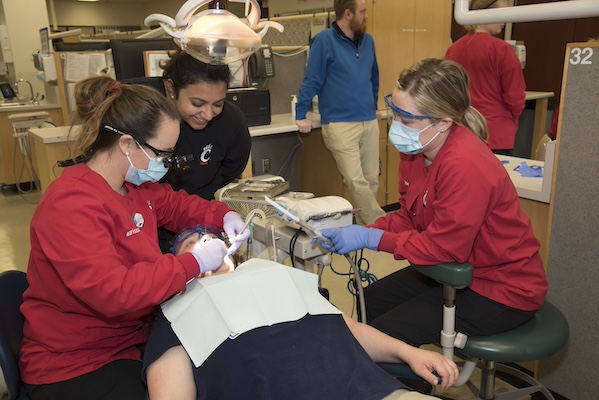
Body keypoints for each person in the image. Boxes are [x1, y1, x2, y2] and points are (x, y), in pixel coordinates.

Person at [19, 76, 250, 400]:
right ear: (127, 144)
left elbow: (178, 205)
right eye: (162, 154)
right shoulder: (69, 205)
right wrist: (192, 263)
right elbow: (114, 292)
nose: (166, 164)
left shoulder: (136, 186)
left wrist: (223, 215)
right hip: (75, 362)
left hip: (134, 339)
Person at [317, 58, 548, 347]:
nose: (396, 125)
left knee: (385, 337)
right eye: (394, 113)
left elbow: (444, 248)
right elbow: (411, 216)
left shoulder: (466, 165)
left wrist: (372, 238)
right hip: (458, 271)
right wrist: (365, 229)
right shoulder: (417, 149)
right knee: (370, 301)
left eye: (407, 119)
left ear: (443, 122)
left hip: (502, 288)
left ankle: (407, 388)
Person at [142, 227, 459, 400]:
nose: (206, 242)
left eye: (210, 237)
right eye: (192, 244)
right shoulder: (181, 311)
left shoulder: (275, 273)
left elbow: (344, 328)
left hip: (367, 390)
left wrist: (410, 355)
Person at [147, 49, 252, 253]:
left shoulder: (230, 123)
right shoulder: (146, 118)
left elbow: (232, 168)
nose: (207, 114)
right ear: (171, 88)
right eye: (197, 103)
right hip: (149, 220)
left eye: (217, 104)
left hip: (202, 215)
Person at [295, 0, 385, 225]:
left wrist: (372, 105)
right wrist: (300, 113)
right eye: (362, 12)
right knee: (356, 181)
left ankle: (367, 227)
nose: (366, 16)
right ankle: (381, 224)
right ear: (347, 14)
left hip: (368, 120)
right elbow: (312, 80)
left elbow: (373, 77)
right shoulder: (324, 41)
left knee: (372, 178)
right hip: (340, 124)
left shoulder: (368, 41)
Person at [444, 0, 526, 156]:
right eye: (502, 14)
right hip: (495, 135)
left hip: (462, 131)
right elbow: (515, 99)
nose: (505, 21)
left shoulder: (454, 49)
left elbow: (448, 93)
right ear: (484, 12)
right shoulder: (502, 50)